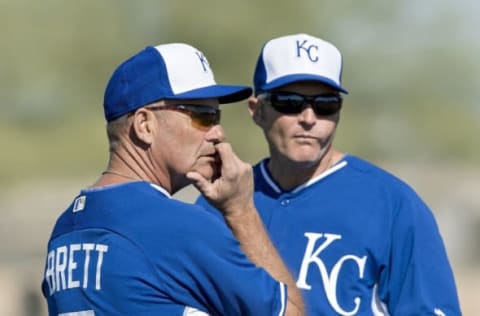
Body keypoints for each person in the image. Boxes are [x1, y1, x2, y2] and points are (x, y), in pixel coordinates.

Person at [196, 33, 462, 315]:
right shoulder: (219, 202)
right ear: (257, 110)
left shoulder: (394, 205)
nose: (309, 118)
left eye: (325, 104)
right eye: (289, 101)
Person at [41, 43, 304, 315]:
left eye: (217, 116)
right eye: (203, 116)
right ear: (145, 125)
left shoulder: (66, 227)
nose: (218, 133)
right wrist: (241, 211)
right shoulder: (175, 226)